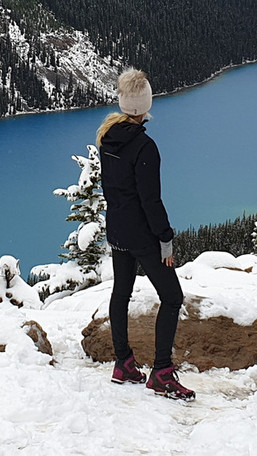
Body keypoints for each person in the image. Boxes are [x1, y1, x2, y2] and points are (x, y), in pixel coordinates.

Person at [97, 68, 195, 401]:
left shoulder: (108, 137)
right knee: (172, 297)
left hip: (117, 230)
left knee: (121, 293)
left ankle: (123, 363)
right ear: (146, 103)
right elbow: (150, 201)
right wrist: (165, 239)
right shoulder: (145, 147)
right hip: (141, 235)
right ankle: (162, 372)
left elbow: (115, 190)